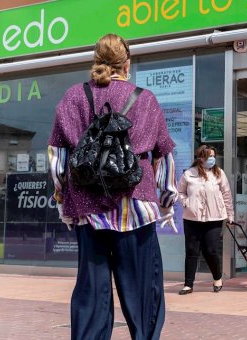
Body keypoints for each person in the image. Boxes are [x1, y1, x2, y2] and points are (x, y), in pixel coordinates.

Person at [48, 33, 177, 340]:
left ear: (96, 60)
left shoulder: (73, 97)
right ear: (127, 63)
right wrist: (167, 200)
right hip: (136, 203)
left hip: (86, 206)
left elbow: (57, 157)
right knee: (143, 288)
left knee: (91, 290)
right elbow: (164, 154)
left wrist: (63, 200)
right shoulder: (145, 99)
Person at [177, 145, 234, 295]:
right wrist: (186, 203)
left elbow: (227, 195)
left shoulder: (219, 173)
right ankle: (188, 284)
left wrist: (230, 215)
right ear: (201, 158)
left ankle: (217, 278)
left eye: (214, 156)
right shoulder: (189, 174)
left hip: (214, 218)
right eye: (209, 156)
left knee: (211, 250)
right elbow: (180, 192)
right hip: (192, 218)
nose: (212, 159)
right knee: (191, 252)